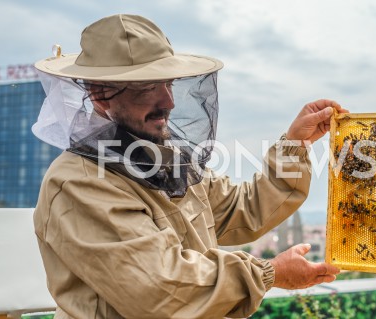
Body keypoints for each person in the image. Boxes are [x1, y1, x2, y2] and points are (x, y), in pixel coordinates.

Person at [32, 14, 347, 319]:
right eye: (147, 87)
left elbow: (245, 209)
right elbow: (158, 290)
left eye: (167, 83)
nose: (168, 101)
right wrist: (269, 273)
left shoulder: (165, 160)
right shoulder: (79, 184)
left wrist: (296, 143)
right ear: (100, 93)